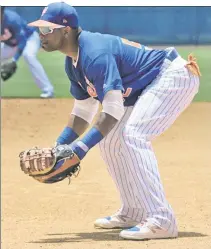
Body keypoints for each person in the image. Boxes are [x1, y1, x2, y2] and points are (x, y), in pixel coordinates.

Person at [28, 2, 201, 240]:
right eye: (40, 29)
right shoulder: (74, 62)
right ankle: (134, 210)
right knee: (109, 142)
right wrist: (59, 146)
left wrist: (79, 149)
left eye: (47, 29)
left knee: (133, 135)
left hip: (172, 76)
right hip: (148, 84)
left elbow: (111, 110)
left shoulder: (95, 53)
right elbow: (83, 111)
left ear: (66, 30)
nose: (41, 35)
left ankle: (162, 220)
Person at [0, 7, 54, 98]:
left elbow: (22, 41)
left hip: (29, 39)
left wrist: (14, 60)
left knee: (28, 55)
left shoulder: (12, 19)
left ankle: (48, 90)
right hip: (10, 44)